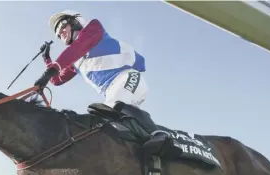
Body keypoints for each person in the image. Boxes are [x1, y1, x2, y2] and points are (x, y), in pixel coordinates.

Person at [34, 10, 181, 159]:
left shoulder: (93, 28)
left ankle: (161, 136)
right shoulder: (75, 60)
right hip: (112, 92)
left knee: (113, 107)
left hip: (127, 78)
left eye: (62, 26)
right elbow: (56, 80)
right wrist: (46, 58)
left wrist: (48, 72)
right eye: (57, 34)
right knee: (102, 123)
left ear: (75, 21)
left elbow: (75, 50)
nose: (60, 33)